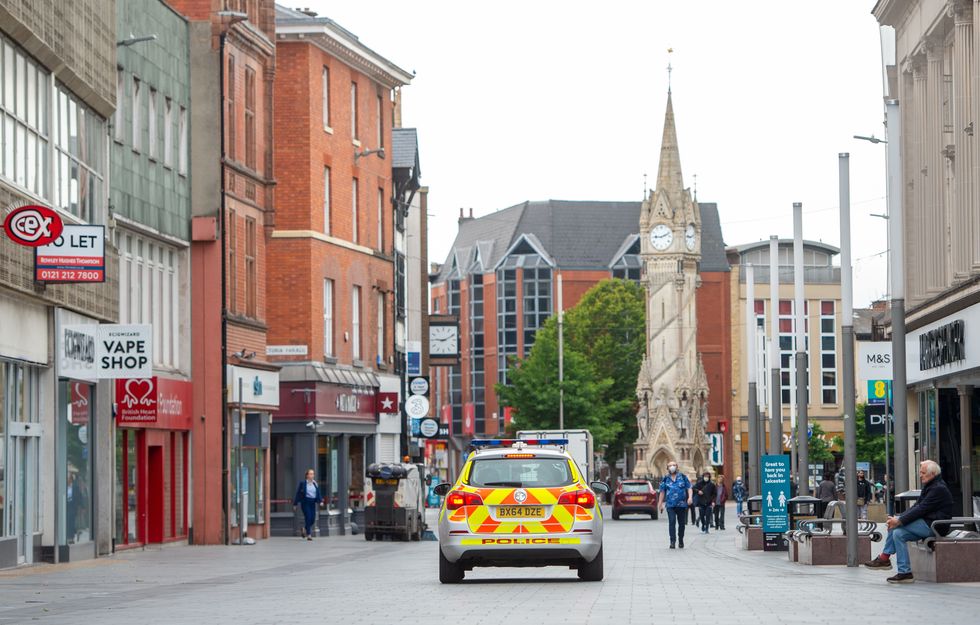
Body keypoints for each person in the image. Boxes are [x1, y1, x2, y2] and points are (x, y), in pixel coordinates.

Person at [864, 460, 953, 583]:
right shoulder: (931, 486)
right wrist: (898, 518)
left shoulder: (938, 488)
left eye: (922, 473)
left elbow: (921, 509)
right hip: (928, 523)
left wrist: (899, 521)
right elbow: (916, 506)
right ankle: (905, 572)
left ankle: (884, 558)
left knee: (895, 527)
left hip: (935, 526)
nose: (920, 475)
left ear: (932, 473)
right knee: (898, 534)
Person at [658, 461, 693, 549]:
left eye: (674, 465)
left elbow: (689, 487)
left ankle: (681, 540)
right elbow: (662, 492)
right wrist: (660, 504)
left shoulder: (682, 477)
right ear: (667, 468)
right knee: (672, 522)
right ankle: (672, 541)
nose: (672, 467)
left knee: (681, 524)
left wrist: (690, 498)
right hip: (670, 505)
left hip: (681, 505)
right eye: (670, 465)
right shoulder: (665, 478)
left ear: (677, 467)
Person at [293, 469, 323, 541]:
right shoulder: (303, 483)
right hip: (305, 502)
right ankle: (309, 535)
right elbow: (298, 494)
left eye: (313, 474)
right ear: (307, 475)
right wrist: (295, 504)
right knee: (308, 517)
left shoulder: (315, 483)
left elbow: (318, 493)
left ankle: (304, 528)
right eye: (310, 474)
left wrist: (320, 501)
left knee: (312, 519)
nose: (312, 475)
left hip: (312, 502)